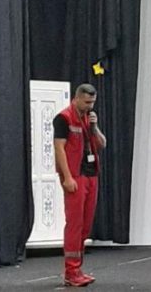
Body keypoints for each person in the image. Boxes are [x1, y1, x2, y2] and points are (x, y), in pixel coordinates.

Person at [53, 83, 107, 287]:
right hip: (75, 176)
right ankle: (71, 271)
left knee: (85, 225)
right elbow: (59, 149)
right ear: (76, 99)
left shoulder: (88, 118)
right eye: (86, 102)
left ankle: (78, 269)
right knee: (75, 224)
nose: (89, 106)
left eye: (92, 102)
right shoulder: (64, 118)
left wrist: (94, 127)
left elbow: (102, 144)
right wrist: (67, 177)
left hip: (91, 175)